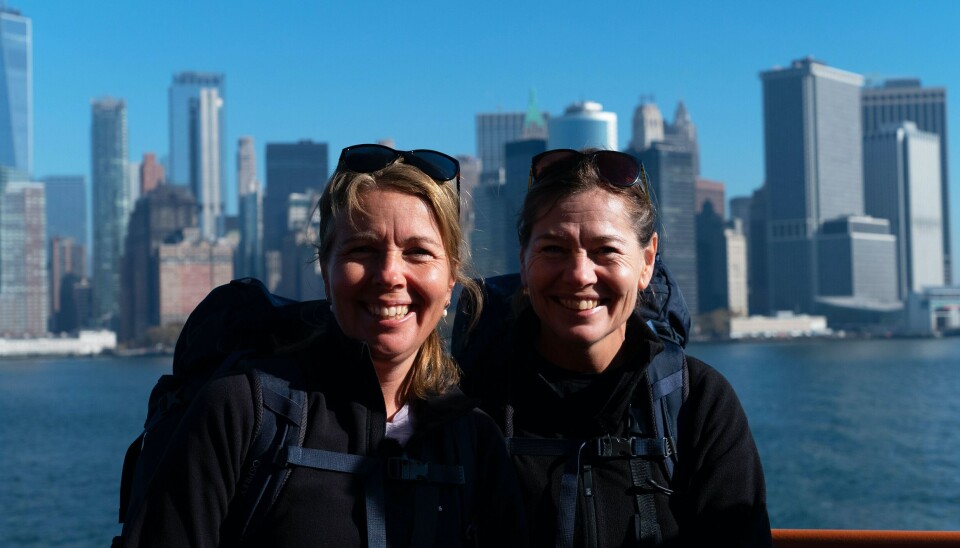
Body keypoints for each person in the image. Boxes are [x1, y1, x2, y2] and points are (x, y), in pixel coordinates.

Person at [119, 144, 527, 547]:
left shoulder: (476, 443)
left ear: (451, 280)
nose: (389, 274)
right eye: (361, 249)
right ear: (326, 271)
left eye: (418, 252)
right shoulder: (243, 413)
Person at [455, 149, 772, 547]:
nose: (579, 275)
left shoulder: (695, 404)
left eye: (606, 251)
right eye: (553, 249)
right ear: (523, 260)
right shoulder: (466, 407)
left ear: (647, 262)